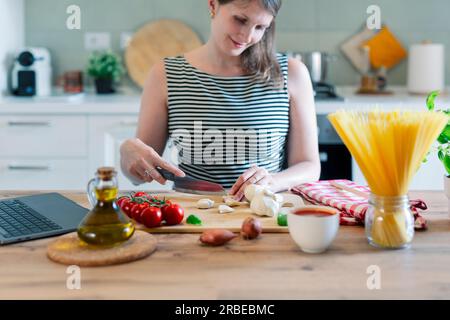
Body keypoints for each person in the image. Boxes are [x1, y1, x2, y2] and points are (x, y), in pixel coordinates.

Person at [120, 0, 320, 201]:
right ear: (213, 5)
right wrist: (127, 154)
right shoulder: (164, 75)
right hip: (192, 215)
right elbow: (140, 175)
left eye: (260, 27)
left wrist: (273, 181)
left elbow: (309, 166)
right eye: (240, 20)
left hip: (263, 214)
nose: (248, 36)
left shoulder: (291, 73)